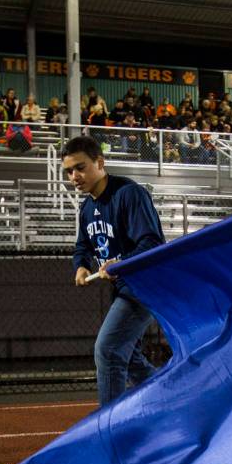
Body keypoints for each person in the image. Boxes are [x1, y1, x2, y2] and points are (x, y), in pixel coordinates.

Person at [63, 135, 166, 406]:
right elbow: (82, 246)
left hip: (145, 286)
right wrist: (81, 266)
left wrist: (120, 264)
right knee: (129, 358)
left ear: (100, 162)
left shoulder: (129, 194)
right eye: (69, 171)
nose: (74, 176)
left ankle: (109, 429)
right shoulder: (87, 208)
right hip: (123, 287)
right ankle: (170, 401)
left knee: (108, 350)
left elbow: (151, 242)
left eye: (80, 167)